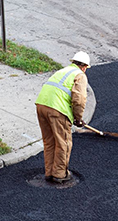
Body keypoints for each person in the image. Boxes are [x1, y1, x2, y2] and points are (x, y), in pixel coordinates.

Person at [35, 51, 90, 183]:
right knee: (63, 143)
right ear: (84, 66)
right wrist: (78, 118)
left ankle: (49, 172)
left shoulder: (63, 71)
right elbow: (79, 99)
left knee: (49, 141)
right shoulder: (80, 75)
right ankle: (60, 174)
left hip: (41, 105)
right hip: (57, 110)